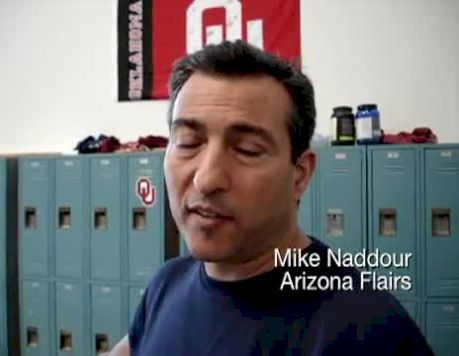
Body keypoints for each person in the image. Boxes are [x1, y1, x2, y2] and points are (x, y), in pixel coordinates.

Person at [110, 40, 433, 355]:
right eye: (188, 141)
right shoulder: (167, 285)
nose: (207, 179)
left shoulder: (366, 330)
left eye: (247, 150)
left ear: (300, 174)